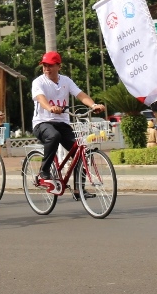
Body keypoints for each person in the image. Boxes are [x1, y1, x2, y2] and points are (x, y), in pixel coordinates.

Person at [30, 51, 105, 196]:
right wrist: (50, 108)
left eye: (50, 65)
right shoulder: (39, 82)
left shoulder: (66, 81)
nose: (47, 68)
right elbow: (40, 98)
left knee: (80, 151)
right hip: (42, 123)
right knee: (54, 136)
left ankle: (79, 189)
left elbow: (80, 94)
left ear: (59, 66)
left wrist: (94, 105)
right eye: (44, 65)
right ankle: (44, 171)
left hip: (62, 123)